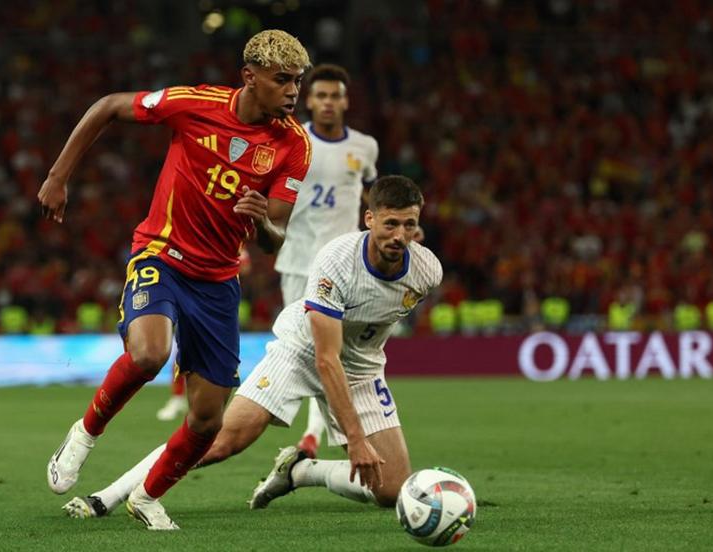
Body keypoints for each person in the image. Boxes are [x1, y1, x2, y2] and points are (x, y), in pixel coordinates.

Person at [39, 29, 312, 530]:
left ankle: (145, 496)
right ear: (250, 78)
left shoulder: (293, 144)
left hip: (218, 280)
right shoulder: (192, 103)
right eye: (283, 81)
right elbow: (107, 106)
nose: (294, 91)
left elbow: (276, 237)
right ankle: (85, 432)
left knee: (208, 418)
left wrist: (262, 222)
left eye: (298, 81)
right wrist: (59, 175)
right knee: (149, 354)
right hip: (162, 255)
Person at [62, 175, 442, 528]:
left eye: (409, 225)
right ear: (369, 219)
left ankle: (300, 472)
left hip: (361, 369)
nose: (399, 235)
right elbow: (326, 358)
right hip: (302, 352)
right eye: (390, 224)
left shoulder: (427, 272)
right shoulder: (337, 262)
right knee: (220, 441)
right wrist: (356, 440)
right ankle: (106, 497)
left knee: (392, 489)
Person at [154, 64, 379, 462]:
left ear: (346, 101)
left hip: (346, 267)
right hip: (298, 262)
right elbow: (252, 194)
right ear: (310, 101)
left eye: (336, 96)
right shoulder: (291, 139)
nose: (328, 103)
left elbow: (368, 194)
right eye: (321, 95)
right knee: (316, 351)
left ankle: (317, 439)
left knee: (334, 353)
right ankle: (307, 435)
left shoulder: (364, 147)